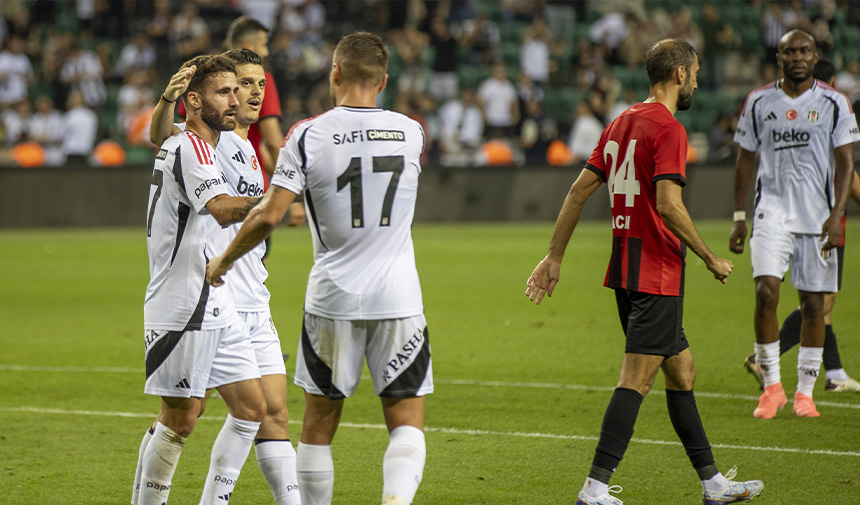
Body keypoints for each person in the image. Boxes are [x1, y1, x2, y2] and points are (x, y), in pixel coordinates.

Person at [526, 39, 763, 505]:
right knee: (637, 378)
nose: (695, 81)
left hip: (626, 269)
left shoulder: (619, 122)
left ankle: (713, 485)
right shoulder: (669, 129)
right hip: (655, 272)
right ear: (679, 74)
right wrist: (709, 256)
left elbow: (577, 193)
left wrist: (553, 256)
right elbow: (669, 205)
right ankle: (594, 488)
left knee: (682, 369)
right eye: (693, 73)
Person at [206, 31, 432, 505]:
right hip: (400, 297)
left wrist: (223, 260)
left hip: (333, 298)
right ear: (384, 80)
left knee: (317, 427)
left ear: (335, 73)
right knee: (406, 425)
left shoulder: (308, 134)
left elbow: (270, 213)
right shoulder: (412, 132)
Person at [145, 48, 302, 505]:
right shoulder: (209, 144)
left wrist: (263, 245)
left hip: (243, 297)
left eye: (254, 86)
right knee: (183, 414)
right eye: (235, 86)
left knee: (262, 411)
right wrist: (278, 202)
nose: (246, 95)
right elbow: (168, 141)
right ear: (201, 98)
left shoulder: (245, 149)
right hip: (207, 293)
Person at [730, 30, 860, 418]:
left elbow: (845, 164)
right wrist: (740, 217)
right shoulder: (758, 101)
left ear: (814, 55)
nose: (797, 56)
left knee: (813, 305)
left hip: (817, 218)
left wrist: (836, 216)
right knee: (766, 293)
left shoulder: (835, 103)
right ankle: (772, 389)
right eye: (790, 51)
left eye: (804, 50)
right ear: (779, 57)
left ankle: (805, 393)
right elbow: (744, 162)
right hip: (771, 212)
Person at [176, 16, 306, 227]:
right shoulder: (264, 77)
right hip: (240, 182)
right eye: (264, 45)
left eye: (261, 85)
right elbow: (273, 141)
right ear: (249, 46)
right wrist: (288, 191)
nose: (266, 52)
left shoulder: (203, 78)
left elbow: (181, 127)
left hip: (237, 171)